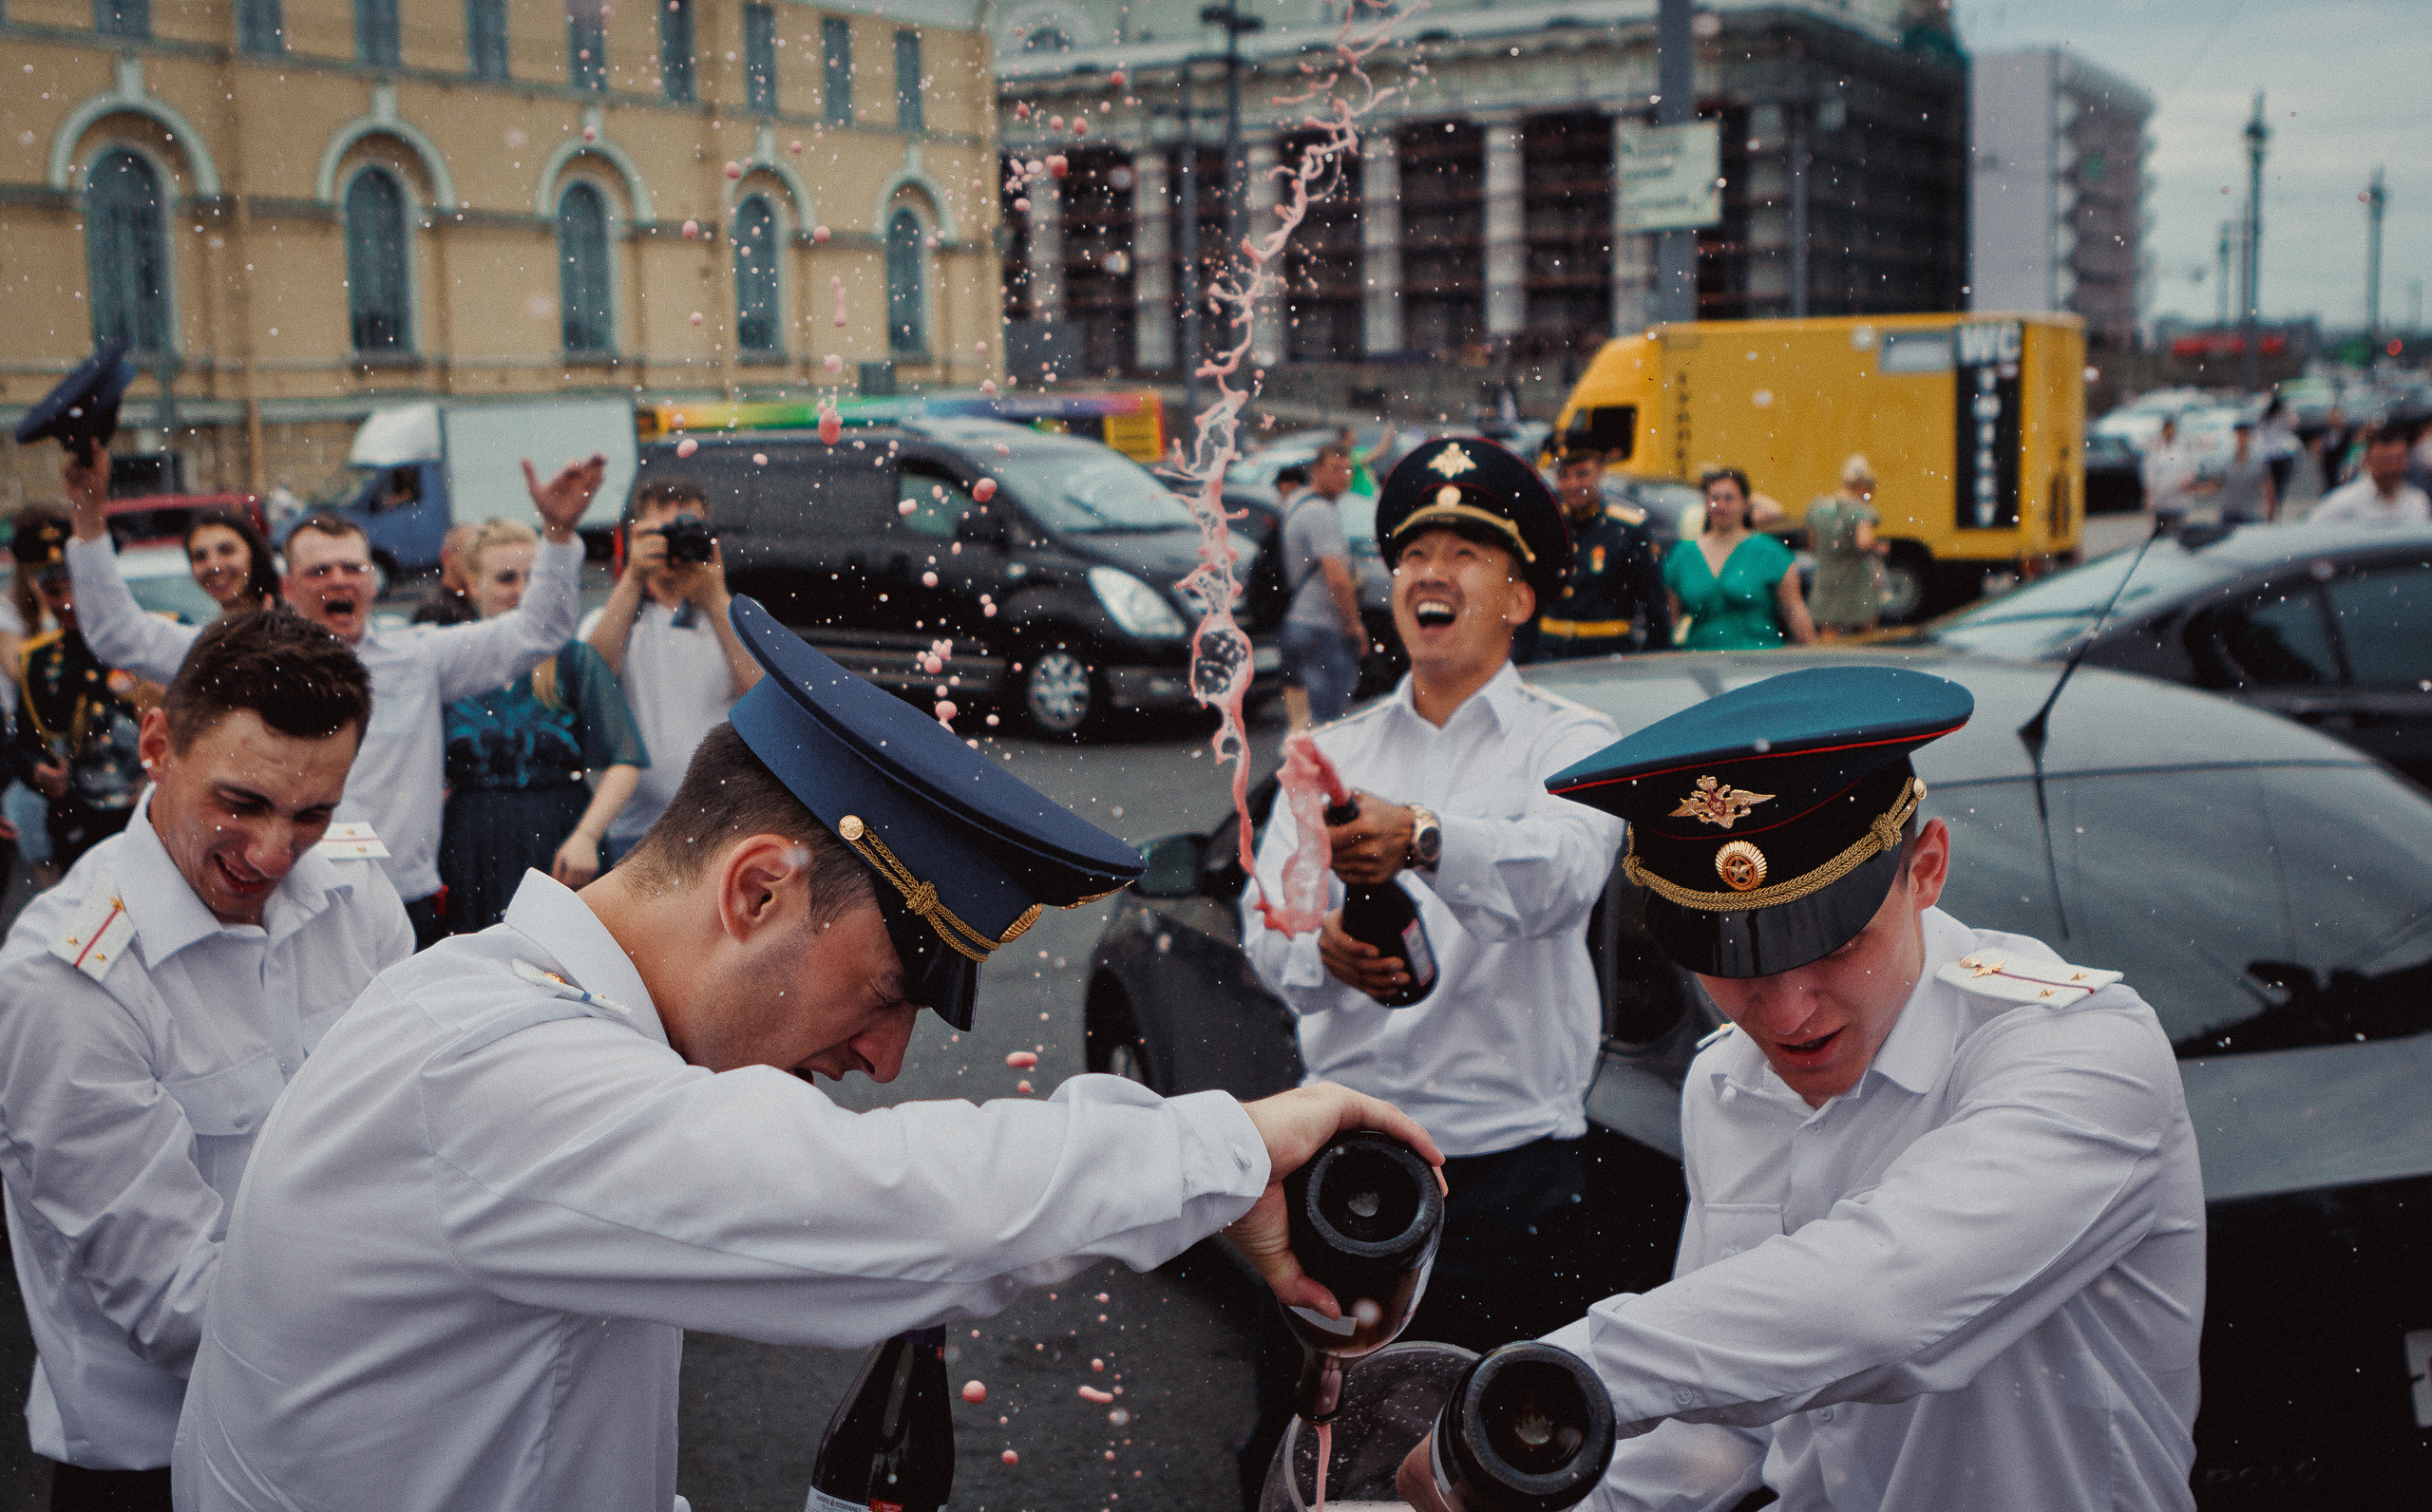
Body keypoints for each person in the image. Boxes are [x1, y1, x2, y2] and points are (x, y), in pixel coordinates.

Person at [170, 596, 1440, 1512]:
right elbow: (883, 1202)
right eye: (888, 992)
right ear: (759, 891)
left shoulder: (501, 1010)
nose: (884, 1058)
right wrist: (1229, 1147)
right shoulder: (495, 1074)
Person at [1398, 665, 2207, 1512]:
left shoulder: (2083, 1047)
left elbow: (1882, 1302)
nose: (1786, 1011)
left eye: (1834, 943)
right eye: (1733, 959)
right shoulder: (1726, 1083)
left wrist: (1555, 1380)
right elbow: (1716, 1428)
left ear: (1925, 869)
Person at [0, 610, 406, 1512]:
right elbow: (179, 1303)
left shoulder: (354, 883)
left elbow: (414, 1130)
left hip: (350, 1431)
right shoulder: (67, 979)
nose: (272, 851)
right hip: (160, 1463)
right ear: (156, 744)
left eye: (313, 812)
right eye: (241, 803)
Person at [1244, 438, 1623, 1355]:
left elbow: (1561, 882)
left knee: (1496, 1458)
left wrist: (1424, 836)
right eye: (1412, 555)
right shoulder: (1339, 754)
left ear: (1518, 599)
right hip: (1347, 1160)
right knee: (1324, 1444)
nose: (1427, 576)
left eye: (1462, 555)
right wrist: (1319, 949)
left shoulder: (1571, 744)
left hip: (1511, 1163)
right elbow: (1267, 923)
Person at [60, 442, 599, 946]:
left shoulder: (421, 656)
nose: (338, 580)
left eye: (352, 568)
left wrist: (556, 533)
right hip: (285, 899)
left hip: (402, 900)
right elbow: (118, 634)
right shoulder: (242, 660)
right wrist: (87, 519)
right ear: (290, 587)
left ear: (372, 582)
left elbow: (539, 633)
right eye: (320, 570)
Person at [439, 519, 648, 933]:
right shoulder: (449, 662)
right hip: (471, 842)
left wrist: (587, 835)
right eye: (505, 578)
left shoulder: (574, 661)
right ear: (473, 585)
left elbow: (625, 761)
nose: (522, 590)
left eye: (533, 577)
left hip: (559, 835)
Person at [584, 476, 764, 862]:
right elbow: (592, 682)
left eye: (689, 529)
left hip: (722, 825)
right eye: (662, 532)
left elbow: (764, 698)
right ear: (636, 536)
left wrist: (715, 597)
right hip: (635, 829)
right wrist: (633, 576)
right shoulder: (614, 617)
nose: (675, 542)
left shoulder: (741, 617)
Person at [13, 510, 150, 871]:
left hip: (151, 815)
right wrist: (38, 772)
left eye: (77, 585)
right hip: (80, 823)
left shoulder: (145, 642)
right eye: (55, 591)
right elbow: (25, 745)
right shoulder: (38, 660)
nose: (69, 601)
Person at [1532, 449, 1669, 660]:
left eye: (1582, 474)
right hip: (1550, 656)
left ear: (1600, 473)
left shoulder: (1629, 529)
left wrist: (1650, 667)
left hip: (1607, 657)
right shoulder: (1545, 527)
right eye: (1563, 476)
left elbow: (1655, 608)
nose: (1572, 484)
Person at [1662, 468, 1816, 651]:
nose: (1721, 505)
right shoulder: (1682, 556)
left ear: (1746, 504)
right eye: (1715, 498)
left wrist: (1816, 661)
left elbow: (1795, 613)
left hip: (1758, 663)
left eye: (1729, 498)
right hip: (1703, 665)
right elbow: (1669, 621)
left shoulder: (1770, 553)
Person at [1277, 441, 1372, 729]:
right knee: (1328, 719)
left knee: (1306, 718)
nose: (1342, 475)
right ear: (1316, 470)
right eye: (1335, 468)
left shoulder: (1299, 502)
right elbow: (1337, 578)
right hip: (1319, 626)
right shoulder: (1319, 511)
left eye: (1347, 469)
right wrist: (1354, 625)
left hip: (1298, 622)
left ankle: (1300, 763)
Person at [1802, 454, 1890, 636]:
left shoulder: (1819, 507)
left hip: (1825, 577)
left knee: (1828, 629)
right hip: (1855, 579)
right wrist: (1879, 547)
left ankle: (1829, 662)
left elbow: (1811, 545)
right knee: (1866, 632)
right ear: (1863, 486)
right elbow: (1863, 542)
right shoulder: (1860, 511)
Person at [2308, 424, 2431, 527]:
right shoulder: (2342, 503)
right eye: (2383, 461)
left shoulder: (2417, 502)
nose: (2391, 468)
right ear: (2368, 460)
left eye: (2397, 460)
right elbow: (2309, 532)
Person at [180, 510, 279, 618]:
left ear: (253, 553)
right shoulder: (200, 630)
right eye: (200, 557)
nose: (214, 566)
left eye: (227, 551)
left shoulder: (286, 627)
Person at [410, 521, 481, 626]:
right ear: (446, 556)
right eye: (468, 552)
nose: (475, 560)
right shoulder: (434, 609)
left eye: (479, 552)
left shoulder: (470, 601)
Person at [2210, 418, 2277, 525]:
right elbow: (2215, 485)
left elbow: (2269, 490)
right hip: (2227, 515)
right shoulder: (2227, 462)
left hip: (2248, 516)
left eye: (2244, 435)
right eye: (2239, 435)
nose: (2241, 439)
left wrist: (2270, 517)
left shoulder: (2258, 464)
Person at [2140, 415, 2199, 528]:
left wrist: (2189, 479)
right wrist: (2149, 494)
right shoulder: (2155, 446)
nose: (2169, 431)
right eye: (2167, 428)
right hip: (2160, 499)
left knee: (2178, 529)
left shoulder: (2183, 445)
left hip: (2179, 497)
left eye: (2171, 427)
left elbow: (2192, 466)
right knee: (2161, 528)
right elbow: (2148, 472)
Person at [2256, 395, 2300, 503]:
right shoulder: (2268, 418)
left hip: (2277, 455)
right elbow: (2295, 424)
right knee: (2274, 487)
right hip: (2277, 455)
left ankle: (2276, 506)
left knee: (2278, 486)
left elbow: (2294, 424)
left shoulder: (2280, 417)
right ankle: (2275, 506)